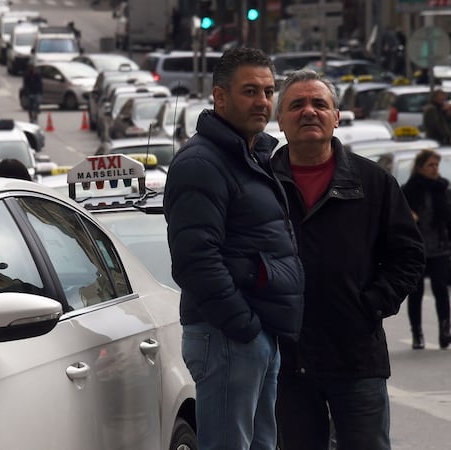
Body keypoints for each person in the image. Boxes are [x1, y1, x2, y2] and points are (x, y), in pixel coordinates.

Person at [271, 69, 425, 450]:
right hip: (285, 363)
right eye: (297, 105)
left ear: (336, 117)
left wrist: (371, 305)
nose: (309, 111)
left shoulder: (373, 182)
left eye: (319, 104)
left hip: (356, 359)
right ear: (281, 120)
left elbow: (408, 255)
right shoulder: (261, 184)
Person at [163, 47, 305, 450]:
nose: (262, 101)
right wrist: (243, 327)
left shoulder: (252, 155)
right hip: (229, 334)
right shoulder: (202, 164)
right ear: (219, 97)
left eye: (268, 90)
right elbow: (195, 260)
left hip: (254, 332)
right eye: (250, 91)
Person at [401, 149, 451, 350]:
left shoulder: (443, 189)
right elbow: (398, 217)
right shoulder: (409, 190)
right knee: (417, 292)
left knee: (441, 290)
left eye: (437, 165)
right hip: (417, 249)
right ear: (421, 167)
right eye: (431, 165)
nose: (435, 169)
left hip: (439, 247)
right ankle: (417, 333)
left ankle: (445, 331)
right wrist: (408, 216)